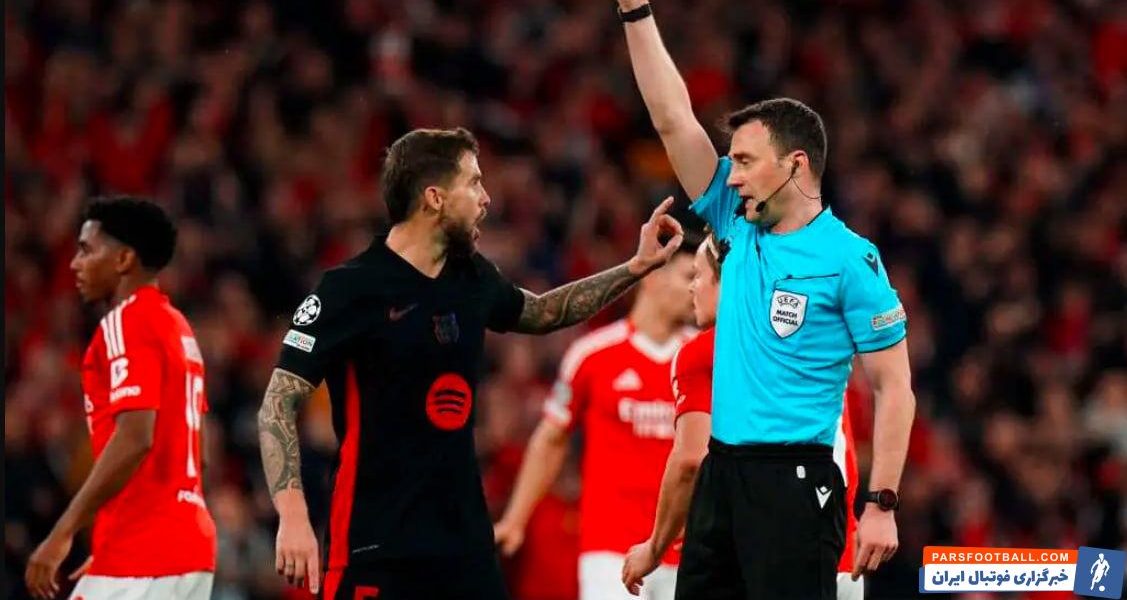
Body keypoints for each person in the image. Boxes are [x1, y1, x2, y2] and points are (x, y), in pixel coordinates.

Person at [256, 127, 686, 600]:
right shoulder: (350, 288)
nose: (486, 198)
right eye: (474, 182)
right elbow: (278, 401)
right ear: (434, 198)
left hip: (464, 544)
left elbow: (543, 312)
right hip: (376, 543)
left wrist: (634, 268)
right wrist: (292, 514)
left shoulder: (472, 277)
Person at [609, 0, 916, 600]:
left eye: (746, 161)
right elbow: (671, 119)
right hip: (721, 477)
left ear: (796, 164)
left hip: (795, 481)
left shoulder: (850, 259)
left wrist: (881, 501)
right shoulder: (734, 221)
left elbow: (894, 388)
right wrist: (636, 11)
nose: (732, 174)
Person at [622, 236, 865, 600]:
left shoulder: (705, 353)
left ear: (729, 280)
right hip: (841, 553)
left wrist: (655, 547)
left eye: (698, 275)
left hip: (766, 561)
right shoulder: (809, 343)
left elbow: (690, 460)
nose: (692, 287)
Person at [25, 197, 217, 600]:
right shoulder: (177, 327)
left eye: (86, 250)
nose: (74, 264)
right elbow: (196, 453)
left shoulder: (127, 321)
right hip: (189, 549)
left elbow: (135, 437)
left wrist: (63, 532)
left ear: (124, 259)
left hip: (145, 552)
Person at [493, 238, 697, 600]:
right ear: (653, 278)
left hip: (687, 551)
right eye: (688, 277)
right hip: (610, 550)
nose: (696, 288)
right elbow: (551, 439)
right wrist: (515, 519)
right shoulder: (592, 354)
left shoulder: (704, 357)